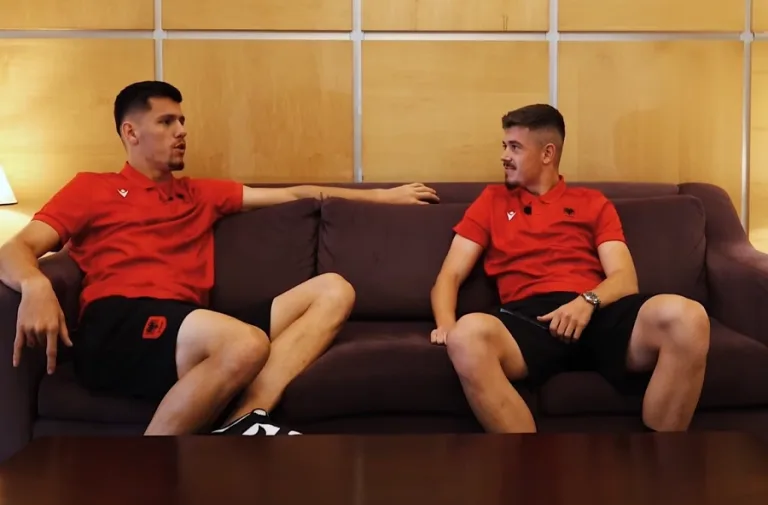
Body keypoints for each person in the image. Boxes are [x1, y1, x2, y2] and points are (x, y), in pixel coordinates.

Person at [0, 80, 440, 436]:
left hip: (189, 324)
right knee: (245, 342)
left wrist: (383, 196)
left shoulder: (200, 193)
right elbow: (15, 249)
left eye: (182, 121)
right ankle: (140, 475)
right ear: (131, 133)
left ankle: (244, 419)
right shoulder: (91, 188)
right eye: (166, 122)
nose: (181, 131)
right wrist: (36, 285)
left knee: (334, 290)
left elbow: (297, 195)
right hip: (119, 323)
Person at [429, 104, 709, 433]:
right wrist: (446, 325)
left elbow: (624, 278)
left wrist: (587, 302)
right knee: (466, 336)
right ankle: (529, 461)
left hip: (596, 311)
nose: (504, 156)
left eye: (515, 147)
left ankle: (662, 456)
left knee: (689, 317)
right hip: (526, 318)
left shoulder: (592, 202)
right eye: (504, 146)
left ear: (547, 153)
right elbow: (449, 275)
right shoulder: (492, 201)